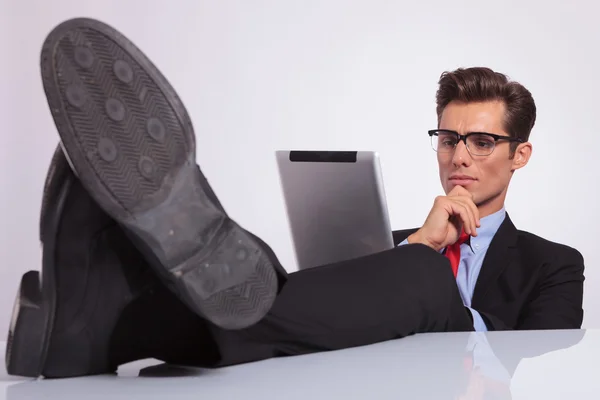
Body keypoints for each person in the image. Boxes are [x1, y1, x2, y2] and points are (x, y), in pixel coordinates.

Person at [5, 17, 584, 379]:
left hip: (453, 378)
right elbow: (309, 323)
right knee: (285, 293)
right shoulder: (396, 244)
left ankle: (107, 316)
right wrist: (413, 244)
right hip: (367, 373)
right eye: (449, 138)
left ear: (520, 155)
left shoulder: (554, 263)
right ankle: (109, 330)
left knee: (419, 280)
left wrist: (421, 258)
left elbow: (541, 372)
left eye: (482, 142)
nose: (459, 157)